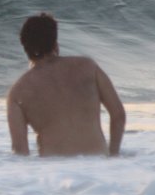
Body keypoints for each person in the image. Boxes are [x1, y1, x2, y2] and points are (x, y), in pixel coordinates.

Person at [7, 13, 125, 157]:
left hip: (56, 174)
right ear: (55, 43)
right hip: (98, 170)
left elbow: (20, 152)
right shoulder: (87, 67)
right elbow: (118, 115)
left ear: (25, 48)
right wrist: (113, 156)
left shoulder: (18, 93)